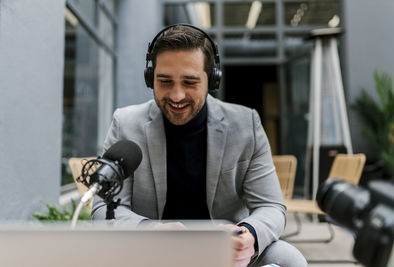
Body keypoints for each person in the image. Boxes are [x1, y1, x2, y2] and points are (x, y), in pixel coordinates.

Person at [91, 24, 307, 267]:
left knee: (289, 260)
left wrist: (250, 235)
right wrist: (150, 229)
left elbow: (271, 206)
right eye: (164, 81)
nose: (176, 96)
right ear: (150, 78)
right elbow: (104, 209)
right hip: (151, 250)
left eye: (190, 82)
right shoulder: (126, 124)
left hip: (225, 249)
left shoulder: (246, 124)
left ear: (212, 80)